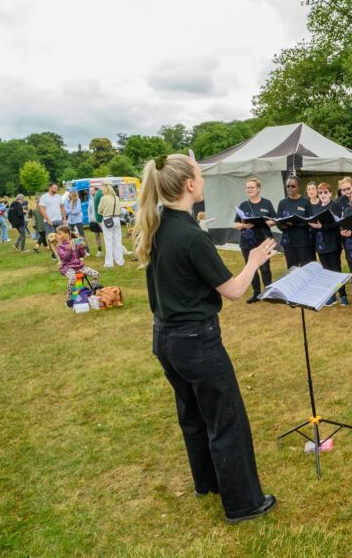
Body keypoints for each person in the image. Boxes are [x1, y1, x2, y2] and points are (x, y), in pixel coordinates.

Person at [134, 153, 277, 524]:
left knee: (194, 416)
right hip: (196, 342)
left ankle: (208, 483)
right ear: (189, 185)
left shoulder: (158, 226)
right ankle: (244, 503)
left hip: (166, 339)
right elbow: (232, 290)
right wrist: (254, 261)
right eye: (200, 175)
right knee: (225, 419)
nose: (204, 180)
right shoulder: (191, 236)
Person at [232, 177, 276, 304]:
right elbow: (235, 224)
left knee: (265, 268)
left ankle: (268, 293)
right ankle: (256, 293)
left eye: (251, 187)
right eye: (247, 187)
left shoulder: (267, 203)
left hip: (263, 241)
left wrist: (264, 223)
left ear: (258, 189)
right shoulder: (243, 205)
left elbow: (275, 220)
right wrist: (244, 226)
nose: (249, 189)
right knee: (251, 268)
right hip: (247, 242)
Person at [307, 182, 349, 306]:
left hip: (333, 242)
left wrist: (322, 226)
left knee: (336, 269)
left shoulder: (335, 206)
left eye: (325, 192)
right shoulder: (317, 208)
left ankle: (343, 295)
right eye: (320, 193)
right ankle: (332, 296)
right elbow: (315, 224)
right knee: (326, 270)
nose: (323, 195)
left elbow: (337, 223)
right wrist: (313, 225)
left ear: (330, 193)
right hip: (321, 243)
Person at [48, 226, 100, 298]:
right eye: (58, 234)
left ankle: (94, 287)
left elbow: (83, 255)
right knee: (73, 278)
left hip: (79, 266)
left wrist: (81, 247)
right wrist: (69, 248)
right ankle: (69, 296)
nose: (58, 236)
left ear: (66, 234)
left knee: (96, 274)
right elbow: (65, 258)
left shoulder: (75, 241)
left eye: (59, 234)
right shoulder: (60, 246)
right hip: (67, 268)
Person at [277, 176, 314, 268]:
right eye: (288, 186)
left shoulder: (305, 202)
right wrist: (284, 226)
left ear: (298, 187)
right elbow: (278, 221)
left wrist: (299, 223)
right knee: (292, 269)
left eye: (293, 186)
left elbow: (311, 220)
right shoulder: (282, 203)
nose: (290, 188)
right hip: (288, 242)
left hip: (303, 241)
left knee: (306, 268)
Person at [97, 184, 125, 267]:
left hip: (107, 219)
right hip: (116, 219)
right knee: (118, 240)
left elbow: (99, 210)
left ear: (105, 190)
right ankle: (120, 261)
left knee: (108, 241)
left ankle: (109, 263)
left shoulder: (103, 198)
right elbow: (119, 209)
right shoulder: (116, 198)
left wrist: (104, 213)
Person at [90, 184, 105, 256]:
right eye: (90, 191)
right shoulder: (90, 200)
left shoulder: (100, 198)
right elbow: (89, 211)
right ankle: (100, 250)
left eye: (92, 191)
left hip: (101, 220)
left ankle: (109, 249)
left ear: (95, 191)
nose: (91, 192)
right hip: (94, 221)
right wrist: (91, 220)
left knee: (105, 234)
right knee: (97, 236)